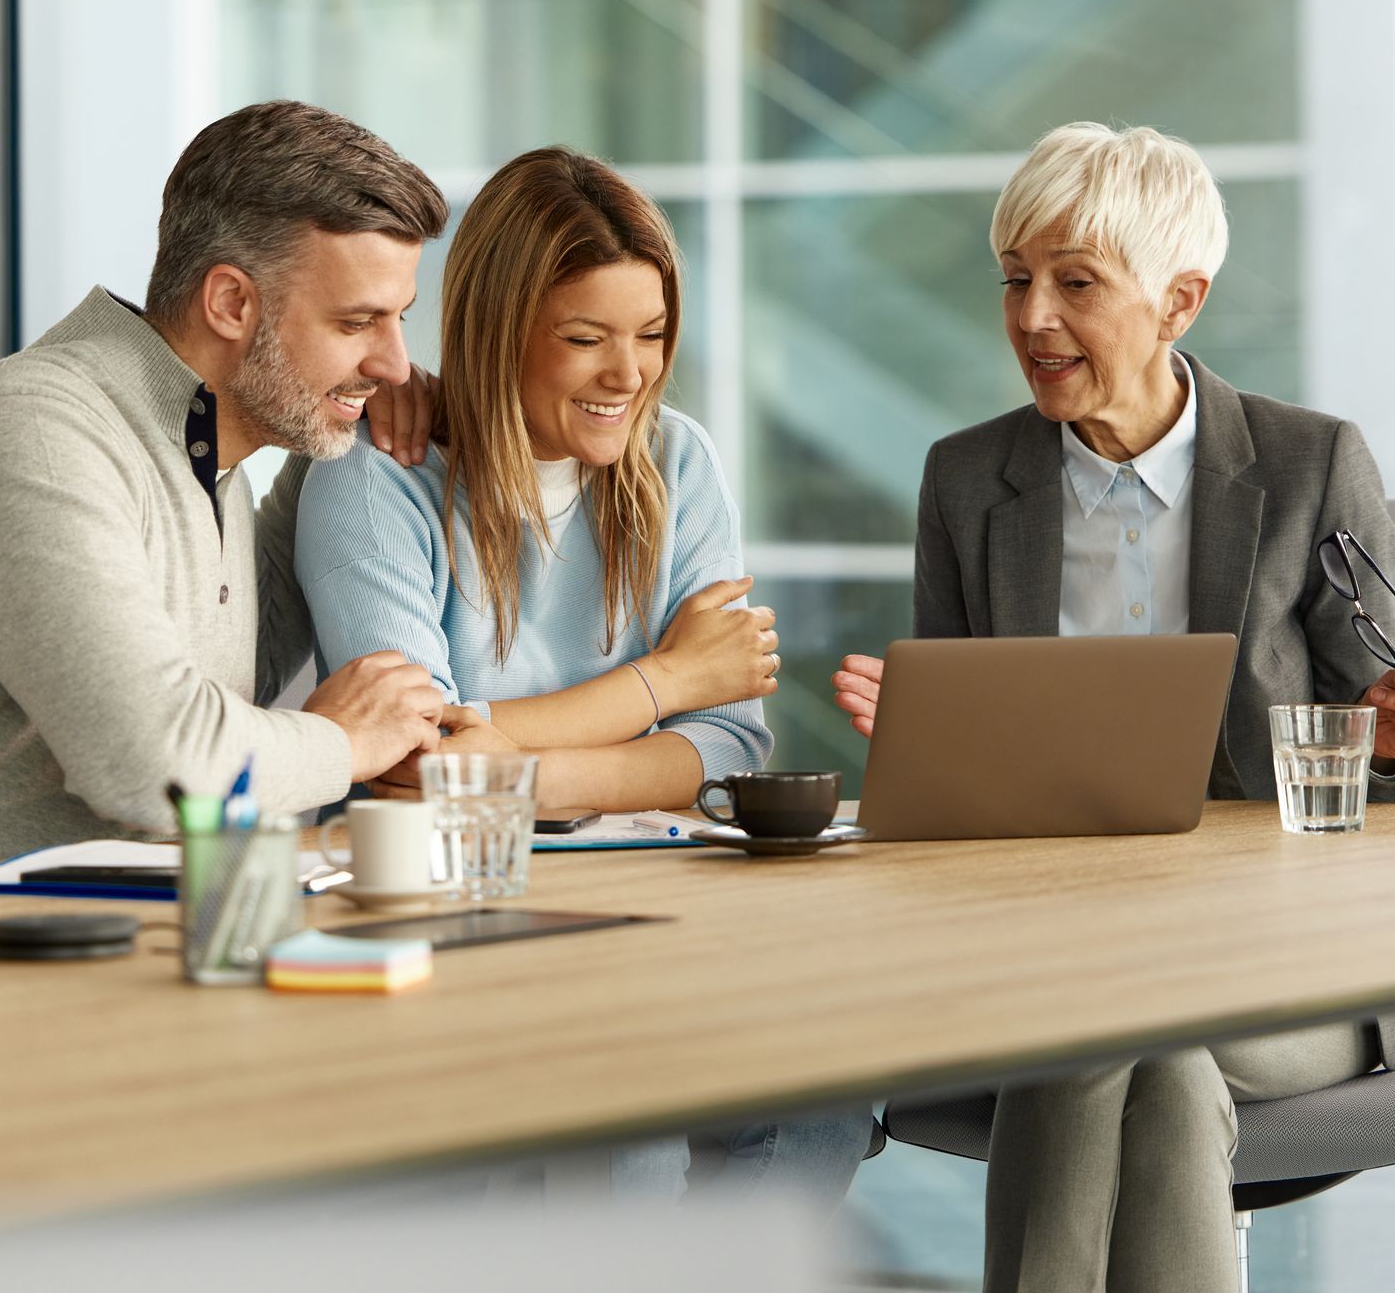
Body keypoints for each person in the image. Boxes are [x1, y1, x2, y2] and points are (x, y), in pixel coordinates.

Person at [831, 121, 1395, 1293]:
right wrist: (935, 747)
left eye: (1074, 282)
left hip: (1283, 965)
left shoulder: (1309, 464)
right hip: (1042, 944)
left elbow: (1369, 752)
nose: (1031, 317)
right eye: (1015, 279)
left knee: (1114, 1031)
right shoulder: (967, 480)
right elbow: (954, 817)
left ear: (1178, 300)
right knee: (1146, 1043)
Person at [296, 144, 874, 1205]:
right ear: (494, 330)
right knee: (634, 1094)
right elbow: (421, 766)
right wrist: (664, 680)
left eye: (651, 335)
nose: (630, 373)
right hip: (465, 915)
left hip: (664, 900)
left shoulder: (680, 461)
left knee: (828, 1083)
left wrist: (520, 760)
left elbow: (731, 744)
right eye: (585, 338)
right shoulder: (375, 482)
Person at [0, 99, 454, 863]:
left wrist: (344, 424)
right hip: (18, 961)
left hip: (154, 942)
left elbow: (233, 680)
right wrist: (345, 740)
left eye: (398, 319)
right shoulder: (38, 430)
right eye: (356, 322)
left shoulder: (209, 450)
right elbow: (160, 764)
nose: (396, 364)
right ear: (232, 302)